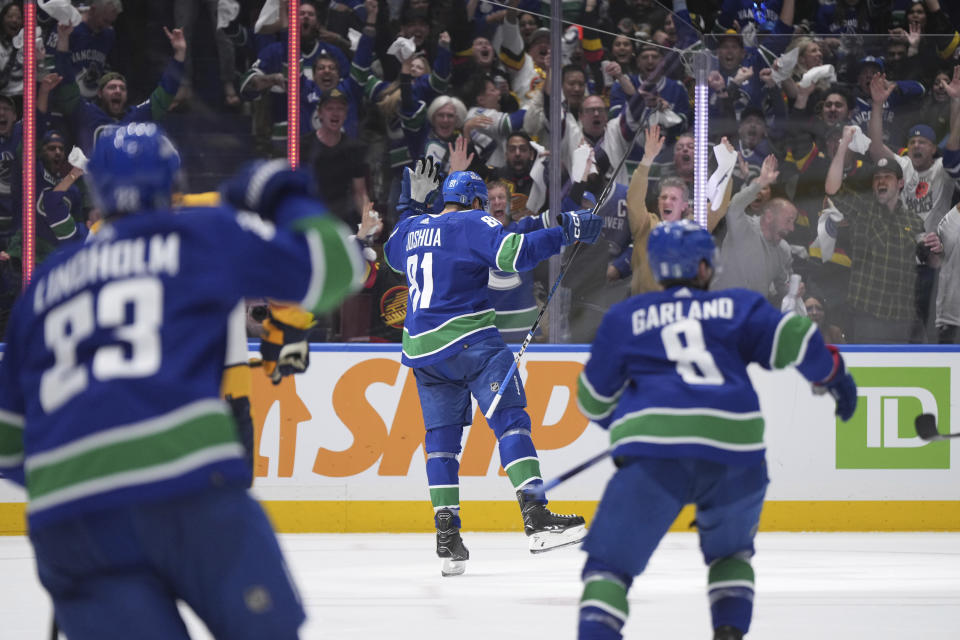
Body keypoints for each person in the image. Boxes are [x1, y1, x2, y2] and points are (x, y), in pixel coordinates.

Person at [0, 123, 364, 639]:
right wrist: (283, 194)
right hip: (186, 493)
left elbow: (10, 453)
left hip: (69, 520)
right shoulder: (199, 235)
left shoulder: (43, 290)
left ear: (96, 190)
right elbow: (337, 268)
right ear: (173, 186)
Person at [575, 219, 858, 640]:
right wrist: (833, 375)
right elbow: (796, 336)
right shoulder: (737, 306)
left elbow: (593, 399)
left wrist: (623, 422)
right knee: (731, 555)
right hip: (735, 452)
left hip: (654, 458)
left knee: (609, 570)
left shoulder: (626, 317)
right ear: (706, 267)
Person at [383, 160, 601, 576]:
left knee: (441, 443)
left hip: (424, 353)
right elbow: (512, 255)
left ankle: (447, 537)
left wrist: (409, 204)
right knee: (510, 420)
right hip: (471, 344)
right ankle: (536, 517)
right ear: (477, 200)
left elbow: (393, 256)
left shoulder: (411, 228)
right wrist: (566, 233)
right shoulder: (472, 221)